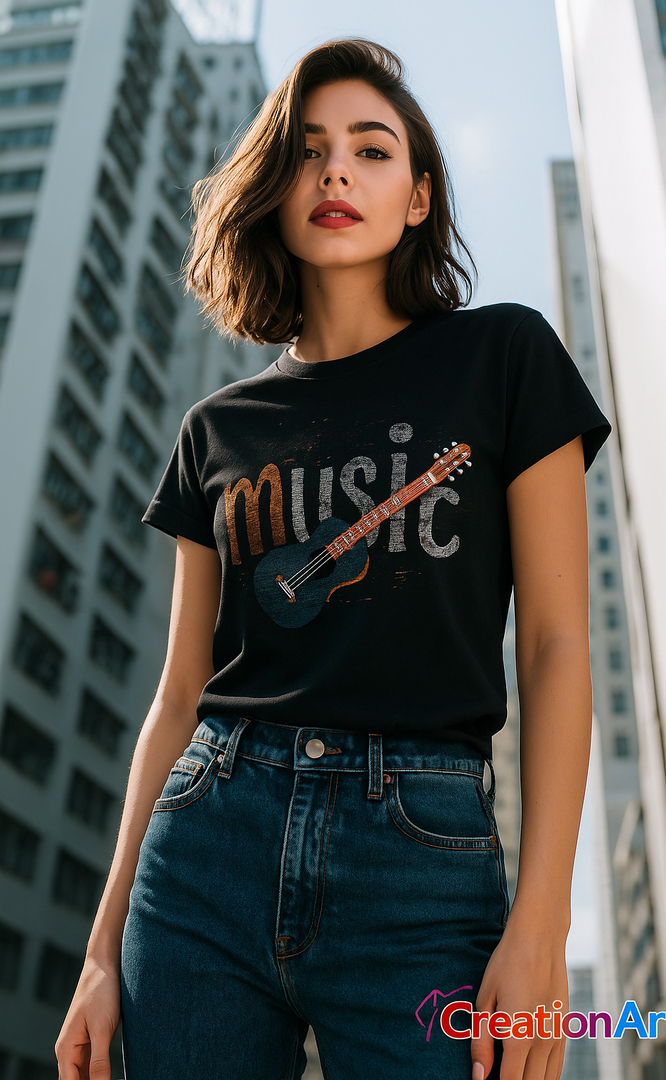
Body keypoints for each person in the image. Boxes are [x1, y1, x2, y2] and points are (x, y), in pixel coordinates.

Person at [55, 38, 611, 1080]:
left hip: (421, 858)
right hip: (204, 848)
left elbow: (553, 645)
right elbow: (178, 695)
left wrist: (540, 922)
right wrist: (98, 951)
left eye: (371, 148)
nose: (337, 171)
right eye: (309, 152)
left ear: (417, 197)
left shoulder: (505, 358)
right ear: (275, 190)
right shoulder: (216, 428)